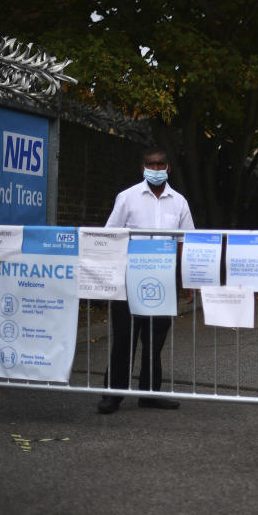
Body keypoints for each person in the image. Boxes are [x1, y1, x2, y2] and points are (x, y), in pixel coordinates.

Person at [97, 147, 195, 414]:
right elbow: (110, 236)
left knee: (155, 341)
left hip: (162, 282)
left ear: (168, 168)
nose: (155, 169)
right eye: (151, 165)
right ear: (143, 168)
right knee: (124, 340)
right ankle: (113, 395)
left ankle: (149, 394)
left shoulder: (179, 202)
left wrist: (187, 280)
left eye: (160, 164)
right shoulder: (127, 198)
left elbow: (185, 242)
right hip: (129, 281)